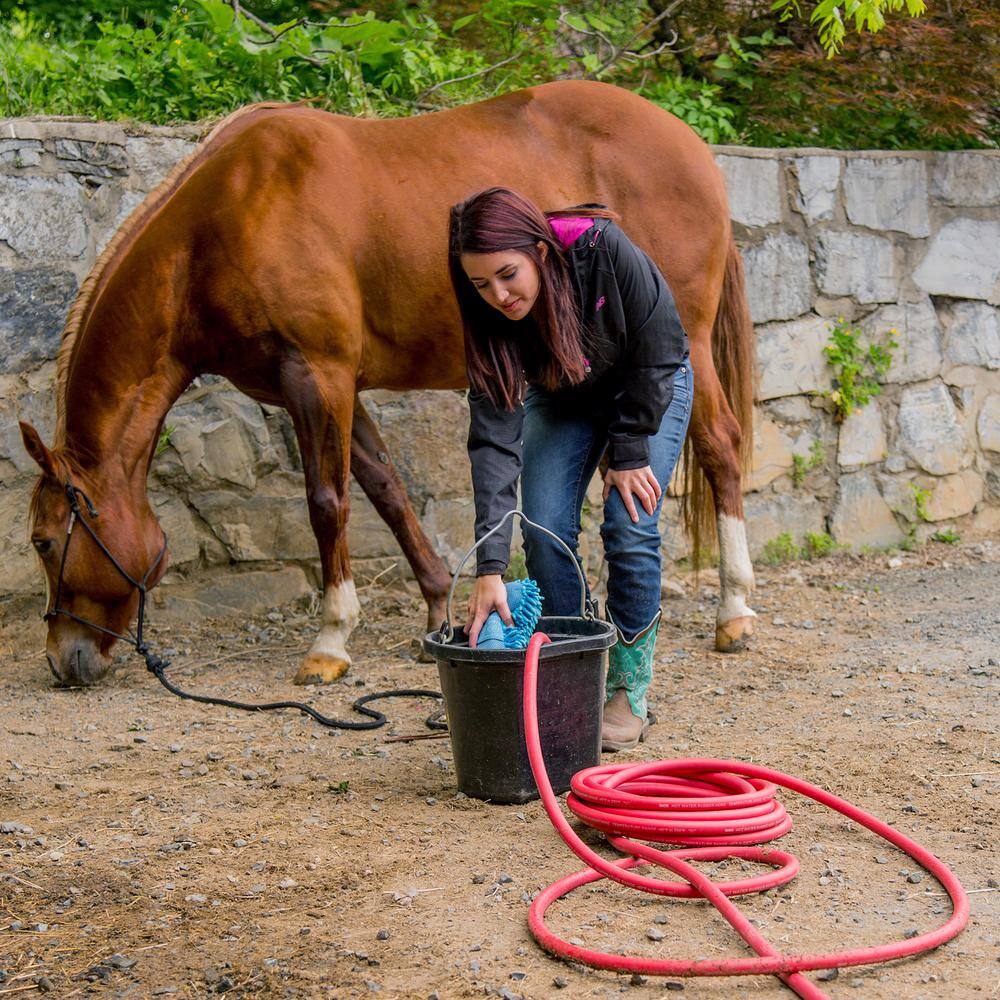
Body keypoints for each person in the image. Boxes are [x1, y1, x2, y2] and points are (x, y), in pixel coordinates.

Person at [448, 187, 692, 751]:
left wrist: (628, 450)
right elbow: (492, 441)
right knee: (544, 527)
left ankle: (629, 690)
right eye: (481, 284)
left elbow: (660, 345)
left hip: (648, 381)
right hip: (563, 395)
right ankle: (569, 669)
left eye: (508, 274)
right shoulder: (488, 318)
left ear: (539, 249)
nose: (499, 296)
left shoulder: (601, 249)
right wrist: (489, 565)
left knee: (629, 523)